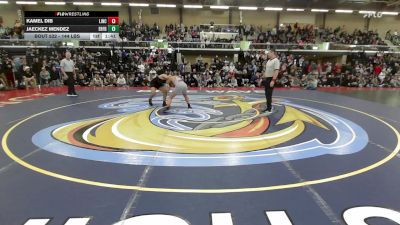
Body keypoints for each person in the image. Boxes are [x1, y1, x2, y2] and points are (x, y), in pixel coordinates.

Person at [262, 49, 280, 113]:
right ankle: (268, 107)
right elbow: (267, 70)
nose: (267, 54)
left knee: (269, 94)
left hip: (271, 78)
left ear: (272, 52)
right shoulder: (269, 61)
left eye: (269, 53)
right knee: (267, 94)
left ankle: (269, 108)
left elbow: (276, 71)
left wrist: (273, 80)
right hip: (267, 78)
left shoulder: (276, 60)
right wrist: (263, 77)